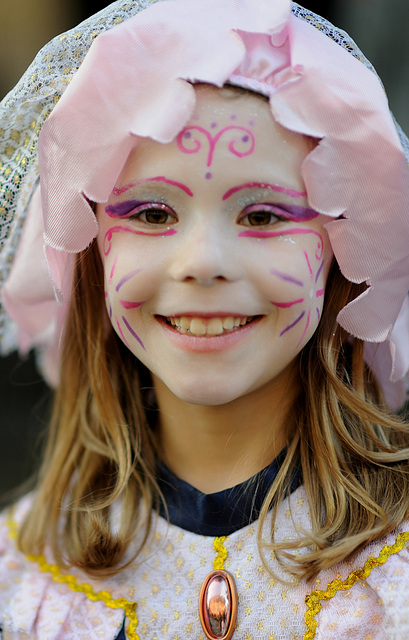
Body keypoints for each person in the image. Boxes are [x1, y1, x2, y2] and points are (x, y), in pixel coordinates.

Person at [1, 0, 409, 638]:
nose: (203, 263)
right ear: (88, 253)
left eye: (265, 216)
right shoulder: (23, 580)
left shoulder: (395, 582)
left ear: (344, 253)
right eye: (153, 214)